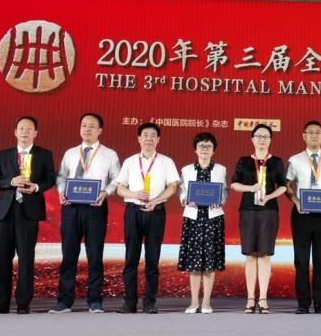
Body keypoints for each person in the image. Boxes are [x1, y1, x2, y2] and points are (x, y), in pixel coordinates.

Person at [50, 113, 121, 314]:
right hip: (71, 207)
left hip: (95, 208)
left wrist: (105, 192)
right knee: (68, 255)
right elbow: (61, 177)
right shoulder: (70, 153)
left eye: (92, 126)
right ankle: (64, 301)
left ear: (100, 130)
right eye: (84, 125)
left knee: (95, 255)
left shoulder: (110, 154)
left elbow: (117, 179)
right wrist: (61, 191)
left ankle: (95, 301)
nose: (87, 129)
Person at [0, 115, 55, 314]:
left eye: (29, 129)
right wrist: (11, 181)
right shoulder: (3, 155)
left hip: (28, 212)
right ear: (15, 132)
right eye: (21, 128)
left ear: (35, 133)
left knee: (26, 258)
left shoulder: (44, 154)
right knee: (3, 259)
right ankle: (0, 304)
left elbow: (50, 179)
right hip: (5, 212)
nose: (25, 132)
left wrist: (36, 187)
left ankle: (23, 303)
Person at [115, 122, 180, 314]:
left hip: (156, 212)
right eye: (145, 135)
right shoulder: (129, 161)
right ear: (139, 139)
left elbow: (172, 187)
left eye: (153, 135)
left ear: (158, 140)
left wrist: (155, 200)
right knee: (131, 258)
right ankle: (129, 302)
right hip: (133, 211)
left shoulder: (166, 162)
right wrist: (134, 194)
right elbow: (120, 188)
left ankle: (150, 302)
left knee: (152, 259)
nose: (149, 139)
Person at [231, 123, 287, 314]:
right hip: (248, 210)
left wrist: (269, 196)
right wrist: (250, 188)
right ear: (252, 139)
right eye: (259, 136)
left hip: (268, 211)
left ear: (270, 140)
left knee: (264, 254)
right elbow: (234, 184)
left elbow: (283, 186)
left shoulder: (276, 162)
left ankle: (262, 298)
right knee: (250, 255)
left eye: (266, 136)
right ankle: (250, 298)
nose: (262, 139)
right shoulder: (244, 161)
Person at [286, 121, 321, 315]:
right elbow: (287, 185)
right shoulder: (295, 160)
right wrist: (296, 201)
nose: (314, 135)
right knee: (301, 261)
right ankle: (303, 304)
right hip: (302, 215)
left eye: (318, 132)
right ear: (304, 136)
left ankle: (320, 304)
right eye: (310, 132)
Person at [178, 132, 228, 314]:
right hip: (193, 218)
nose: (205, 149)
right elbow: (182, 191)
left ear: (214, 150)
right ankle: (193, 302)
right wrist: (185, 199)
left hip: (213, 218)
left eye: (209, 146)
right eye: (201, 146)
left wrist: (220, 200)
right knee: (194, 263)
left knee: (210, 262)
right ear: (195, 149)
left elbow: (225, 192)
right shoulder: (186, 170)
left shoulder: (221, 169)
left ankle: (206, 302)